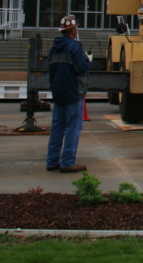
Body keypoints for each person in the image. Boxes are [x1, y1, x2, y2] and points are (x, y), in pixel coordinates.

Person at [46, 15, 92, 173]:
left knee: (58, 127)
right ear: (73, 30)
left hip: (58, 93)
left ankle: (52, 161)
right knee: (73, 127)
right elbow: (82, 67)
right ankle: (68, 162)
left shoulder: (54, 48)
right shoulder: (74, 47)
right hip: (73, 92)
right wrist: (88, 59)